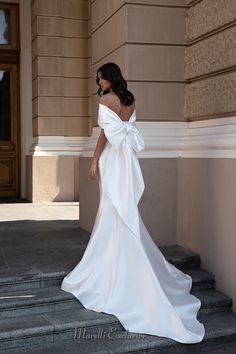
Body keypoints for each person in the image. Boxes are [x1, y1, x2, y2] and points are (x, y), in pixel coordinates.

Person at [61, 62, 205, 343]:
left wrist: (93, 162)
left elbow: (105, 134)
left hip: (113, 160)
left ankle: (113, 269)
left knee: (113, 210)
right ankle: (122, 258)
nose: (99, 84)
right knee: (119, 209)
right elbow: (124, 128)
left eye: (100, 79)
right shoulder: (129, 98)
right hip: (125, 161)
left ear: (109, 79)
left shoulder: (107, 100)